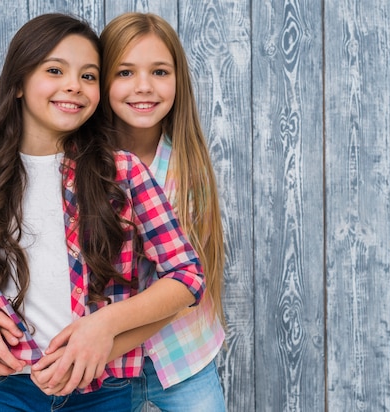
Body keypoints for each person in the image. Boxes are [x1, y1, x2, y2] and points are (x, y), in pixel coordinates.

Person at [0, 13, 205, 412]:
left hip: (102, 388)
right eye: (54, 70)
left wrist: (104, 327)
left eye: (88, 76)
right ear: (17, 83)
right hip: (3, 388)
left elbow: (187, 275)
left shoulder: (124, 172)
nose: (73, 85)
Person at [99, 12, 227, 411]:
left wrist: (104, 333)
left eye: (159, 71)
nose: (143, 87)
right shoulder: (80, 168)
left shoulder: (189, 170)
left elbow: (186, 284)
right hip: (104, 367)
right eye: (124, 72)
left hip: (182, 354)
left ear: (178, 81)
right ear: (99, 80)